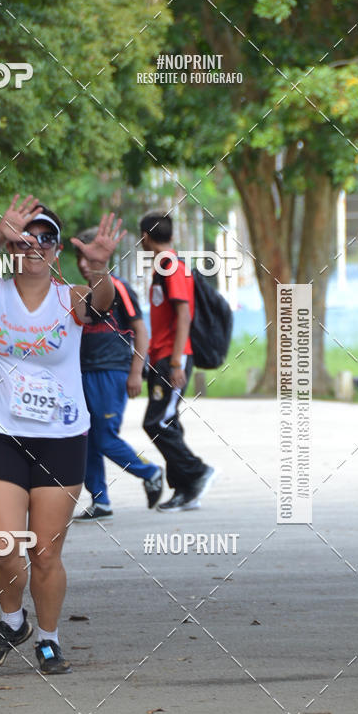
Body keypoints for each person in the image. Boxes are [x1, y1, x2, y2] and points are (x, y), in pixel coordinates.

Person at [0, 195, 124, 674]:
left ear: (57, 250)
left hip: (61, 436)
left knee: (45, 551)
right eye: (26, 238)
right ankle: (14, 622)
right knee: (3, 543)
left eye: (45, 239)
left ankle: (50, 640)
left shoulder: (70, 296)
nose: (35, 246)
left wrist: (99, 269)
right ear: (13, 247)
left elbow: (102, 302)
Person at [72, 227, 162, 521]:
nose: (84, 264)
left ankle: (150, 471)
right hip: (83, 373)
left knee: (106, 438)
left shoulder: (118, 288)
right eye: (79, 258)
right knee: (86, 438)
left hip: (112, 372)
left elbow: (140, 330)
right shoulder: (79, 293)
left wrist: (136, 372)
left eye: (89, 257)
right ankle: (100, 500)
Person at [139, 211, 215, 511]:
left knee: (156, 422)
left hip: (173, 358)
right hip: (163, 356)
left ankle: (197, 471)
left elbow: (184, 314)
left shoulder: (172, 267)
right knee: (168, 421)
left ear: (145, 238)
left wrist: (174, 362)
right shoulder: (164, 267)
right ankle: (186, 490)